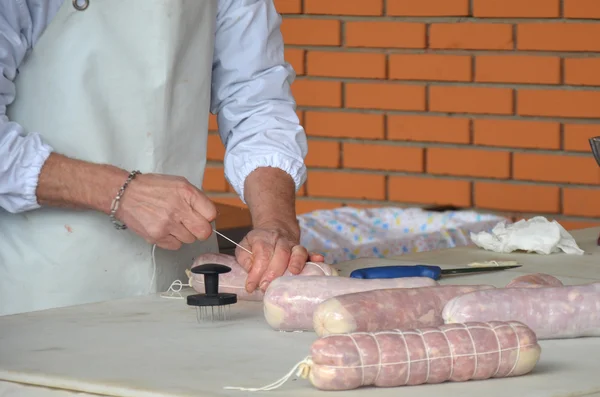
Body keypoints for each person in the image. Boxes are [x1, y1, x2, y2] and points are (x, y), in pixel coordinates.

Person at [0, 0, 322, 316]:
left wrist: (274, 223)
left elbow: (257, 103)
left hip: (179, 283)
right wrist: (121, 191)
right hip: (41, 293)